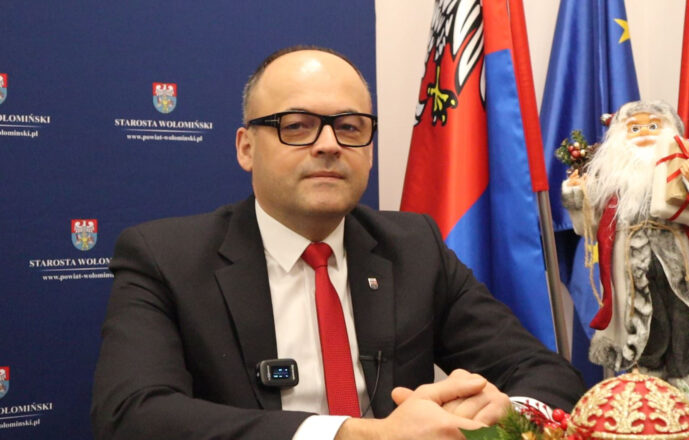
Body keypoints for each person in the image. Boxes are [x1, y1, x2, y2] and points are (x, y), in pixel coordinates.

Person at [91, 45, 585, 440]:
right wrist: (355, 434)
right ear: (246, 148)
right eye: (297, 126)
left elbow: (545, 373)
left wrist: (502, 413)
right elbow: (132, 416)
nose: (328, 144)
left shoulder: (414, 247)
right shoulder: (165, 258)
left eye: (350, 127)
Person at [562, 100, 689, 389]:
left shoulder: (682, 163)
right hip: (633, 271)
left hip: (683, 267)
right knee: (647, 327)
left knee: (686, 323)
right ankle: (651, 388)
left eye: (652, 126)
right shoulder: (611, 179)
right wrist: (577, 193)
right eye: (634, 128)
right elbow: (587, 225)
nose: (643, 134)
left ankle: (688, 385)